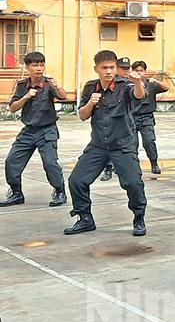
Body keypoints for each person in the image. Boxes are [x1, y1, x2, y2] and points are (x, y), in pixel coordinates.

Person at [64, 50, 148, 236]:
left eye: (111, 67)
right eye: (104, 68)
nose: (108, 71)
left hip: (123, 145)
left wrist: (137, 82)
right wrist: (90, 104)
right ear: (96, 69)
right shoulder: (90, 87)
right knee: (76, 180)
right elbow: (82, 116)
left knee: (133, 184)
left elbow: (139, 95)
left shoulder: (125, 85)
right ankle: (85, 218)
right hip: (98, 146)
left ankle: (139, 218)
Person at [1, 52, 67, 208]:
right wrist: (25, 97)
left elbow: (63, 96)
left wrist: (58, 86)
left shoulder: (49, 84)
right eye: (35, 65)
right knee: (12, 161)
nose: (39, 68)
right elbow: (12, 107)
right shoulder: (22, 85)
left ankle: (59, 191)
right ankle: (16, 193)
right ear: (27, 67)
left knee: (50, 163)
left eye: (41, 64)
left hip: (47, 130)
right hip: (29, 130)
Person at [130, 60, 172, 175]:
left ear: (145, 72)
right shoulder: (129, 84)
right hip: (131, 117)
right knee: (132, 143)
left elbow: (166, 88)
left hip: (146, 117)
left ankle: (154, 163)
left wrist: (156, 81)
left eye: (141, 71)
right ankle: (133, 166)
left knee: (149, 142)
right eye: (136, 70)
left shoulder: (150, 83)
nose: (139, 73)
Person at [99, 56, 133, 182]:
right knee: (107, 146)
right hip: (111, 122)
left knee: (129, 148)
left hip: (129, 121)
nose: (125, 71)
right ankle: (108, 169)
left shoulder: (130, 83)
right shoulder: (109, 84)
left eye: (127, 68)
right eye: (122, 69)